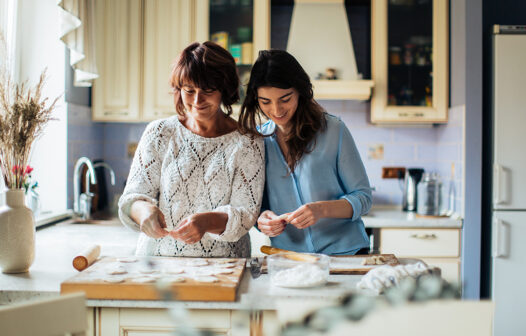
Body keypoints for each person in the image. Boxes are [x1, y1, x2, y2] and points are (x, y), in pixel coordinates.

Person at [119, 42, 265, 257]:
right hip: (158, 262)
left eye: (208, 90)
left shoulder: (248, 142)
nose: (197, 100)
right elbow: (133, 197)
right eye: (189, 90)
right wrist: (144, 211)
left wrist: (207, 222)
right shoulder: (160, 133)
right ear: (179, 90)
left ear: (224, 90)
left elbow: (246, 214)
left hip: (224, 267)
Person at [239, 50, 372, 255]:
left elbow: (363, 198)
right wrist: (263, 220)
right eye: (265, 101)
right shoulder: (258, 142)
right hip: (290, 259)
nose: (276, 109)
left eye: (285, 98)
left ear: (300, 91)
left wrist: (321, 209)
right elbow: (258, 206)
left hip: (346, 254)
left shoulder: (333, 130)